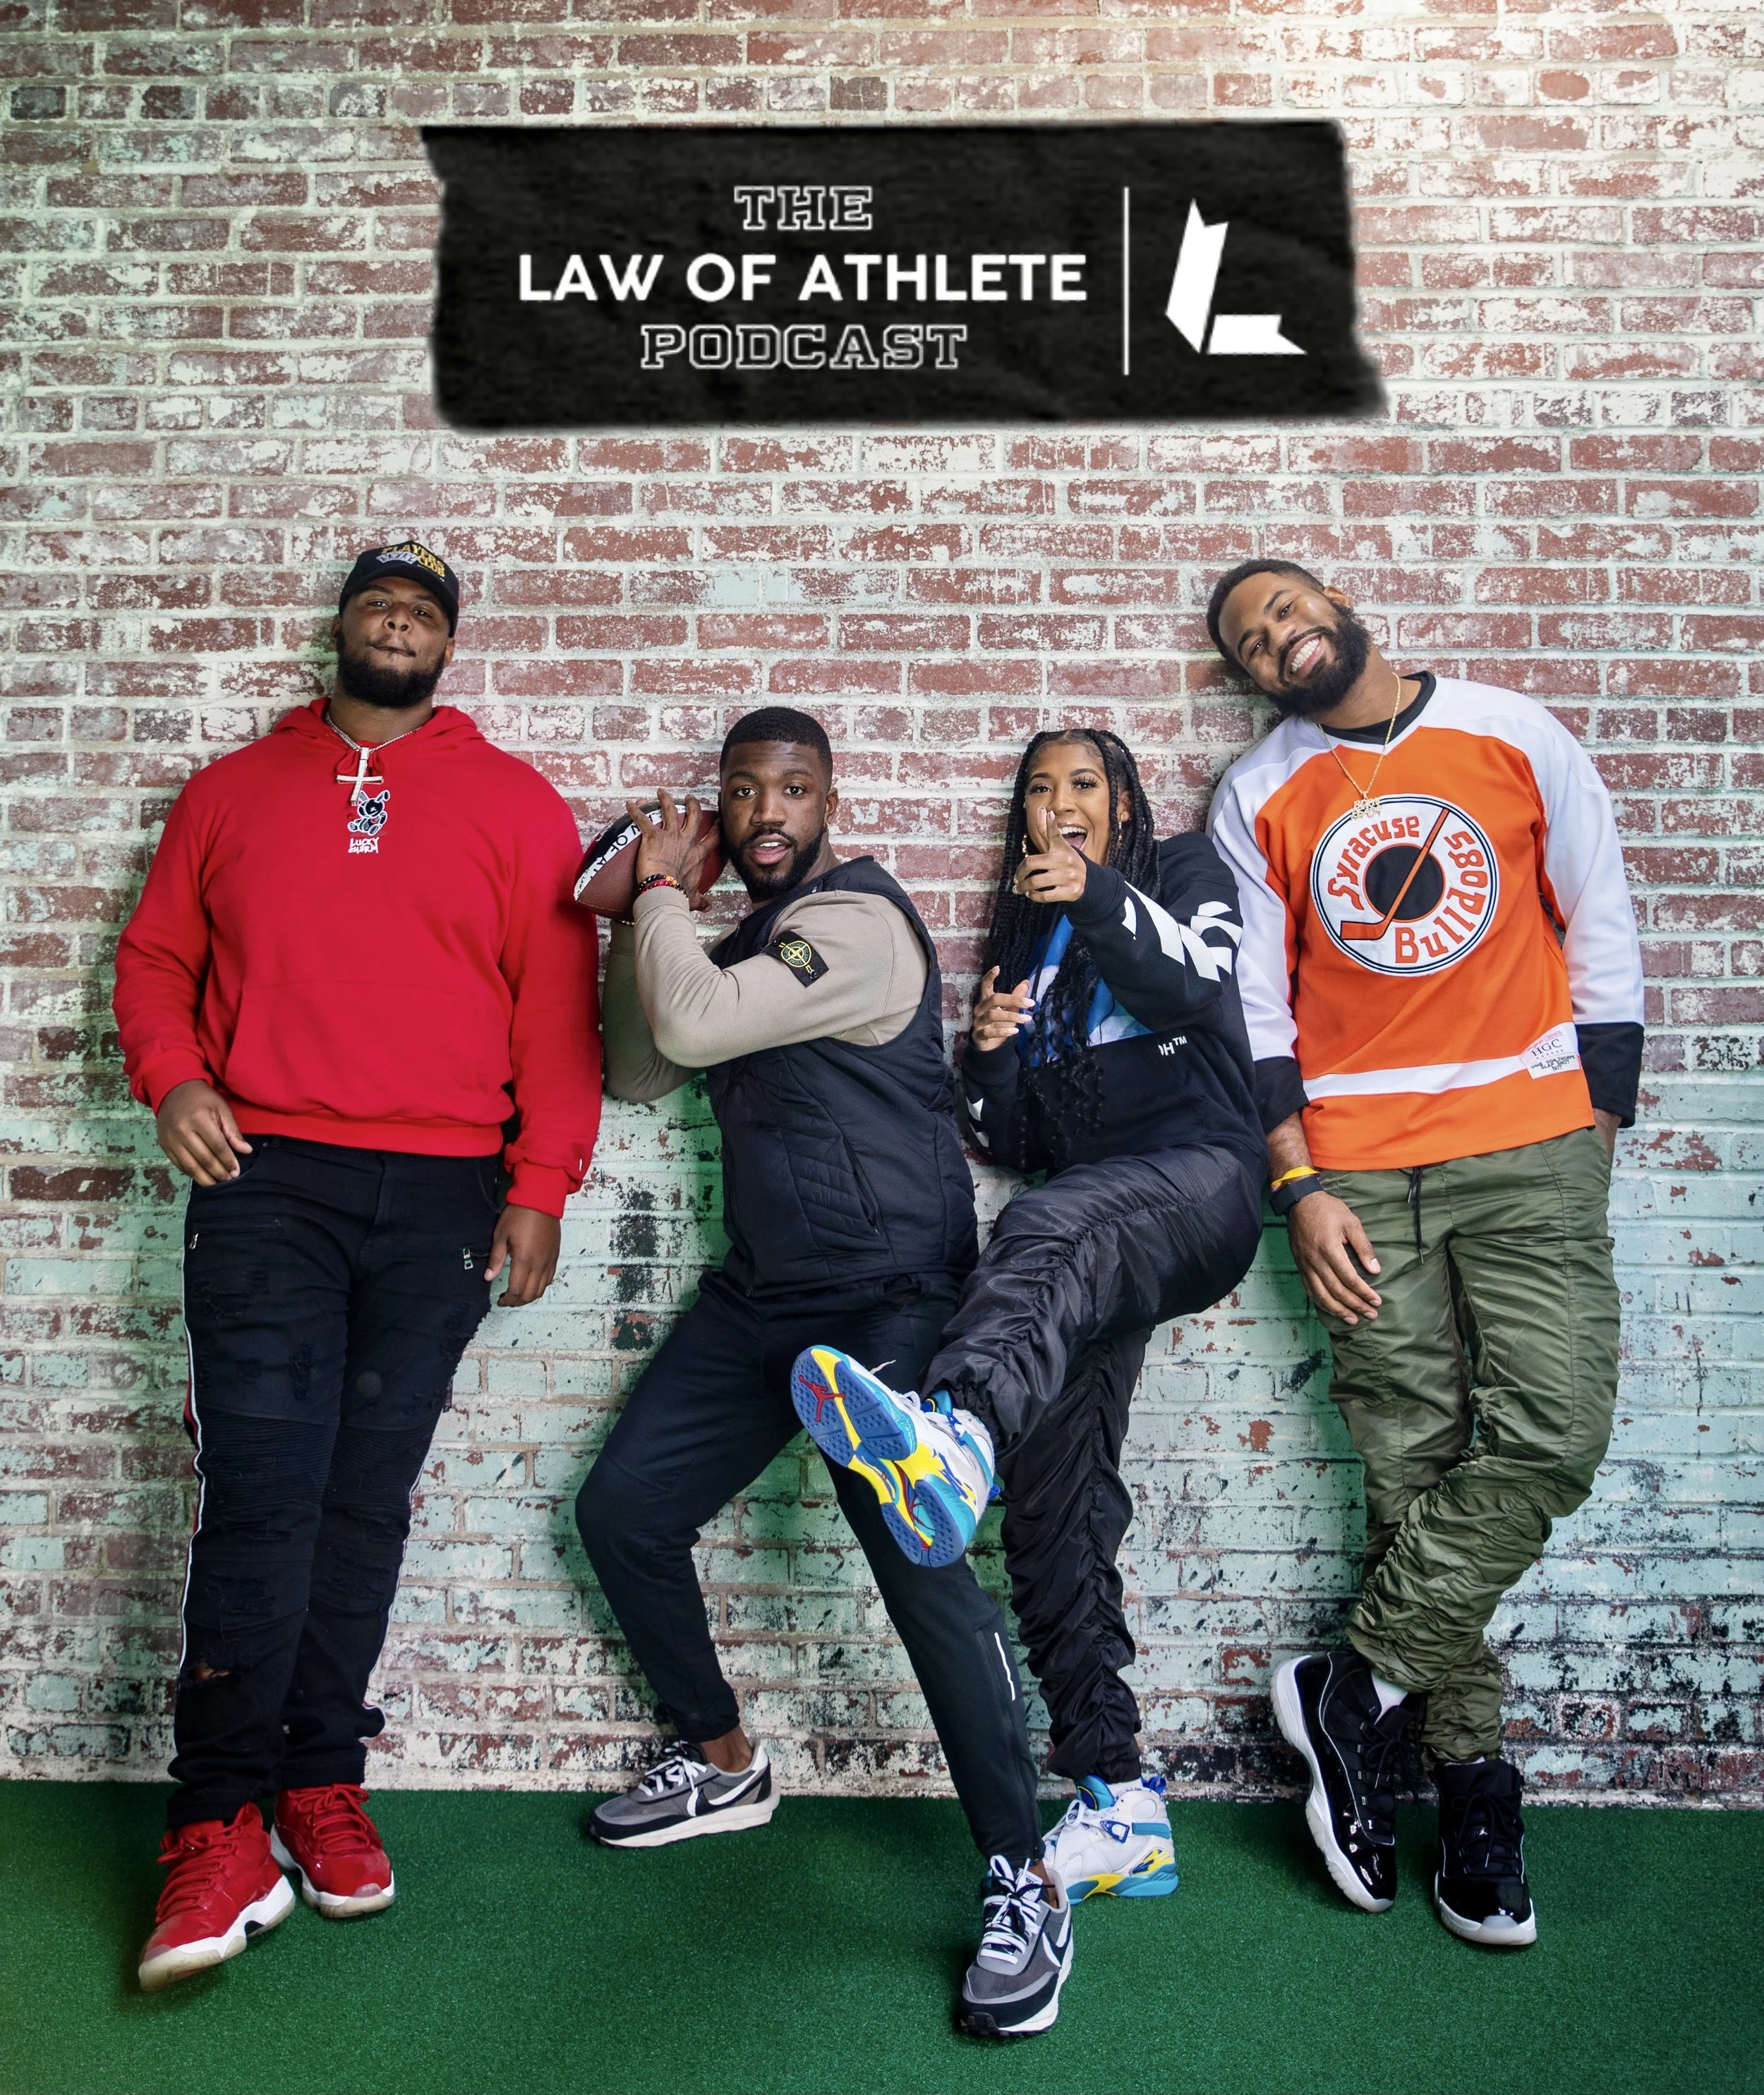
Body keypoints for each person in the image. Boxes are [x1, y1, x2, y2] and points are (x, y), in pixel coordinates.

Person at [113, 541, 603, 1991]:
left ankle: (318, 1780)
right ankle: (213, 1821)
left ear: (448, 642)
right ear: (340, 629)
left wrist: (540, 1187)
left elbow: (557, 1018)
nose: (402, 616)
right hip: (264, 1175)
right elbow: (152, 961)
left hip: (446, 1191)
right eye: (382, 597)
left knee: (362, 1498)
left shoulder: (516, 803)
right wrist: (173, 1079)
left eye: (429, 605)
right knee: (261, 1498)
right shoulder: (228, 792)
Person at [578, 705, 1073, 2041]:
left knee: (915, 1559)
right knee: (622, 1511)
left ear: (829, 801)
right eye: (742, 793)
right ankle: (724, 1759)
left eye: (791, 788)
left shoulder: (856, 927)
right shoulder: (729, 940)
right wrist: (638, 915)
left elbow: (687, 1030)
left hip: (889, 1297)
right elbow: (637, 1066)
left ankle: (1024, 1877)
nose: (767, 813)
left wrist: (665, 890)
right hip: (764, 1299)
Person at [1202, 558, 1643, 1948]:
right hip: (1355, 1173)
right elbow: (1253, 1006)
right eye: (1251, 641)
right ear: (1253, 678)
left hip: (1528, 1141)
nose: (1278, 638)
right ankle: (1474, 1792)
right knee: (1410, 1471)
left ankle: (1355, 1687)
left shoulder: (1513, 731)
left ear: (1339, 606)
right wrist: (1296, 1184)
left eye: (1284, 610)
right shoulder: (1255, 794)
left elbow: (1601, 914)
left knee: (1549, 1430)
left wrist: (1596, 1119)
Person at [791, 728, 1266, 1906]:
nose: (1059, 804)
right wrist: (992, 1060)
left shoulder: (1184, 870)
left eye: (1083, 785)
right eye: (1039, 789)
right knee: (1055, 1510)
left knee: (1046, 1226)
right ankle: (1121, 1804)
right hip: (1105, 1242)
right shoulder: (1024, 936)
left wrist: (1101, 895)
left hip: (1202, 1183)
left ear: (1124, 804)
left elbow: (1198, 985)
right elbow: (1014, 1145)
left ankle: (955, 1431)